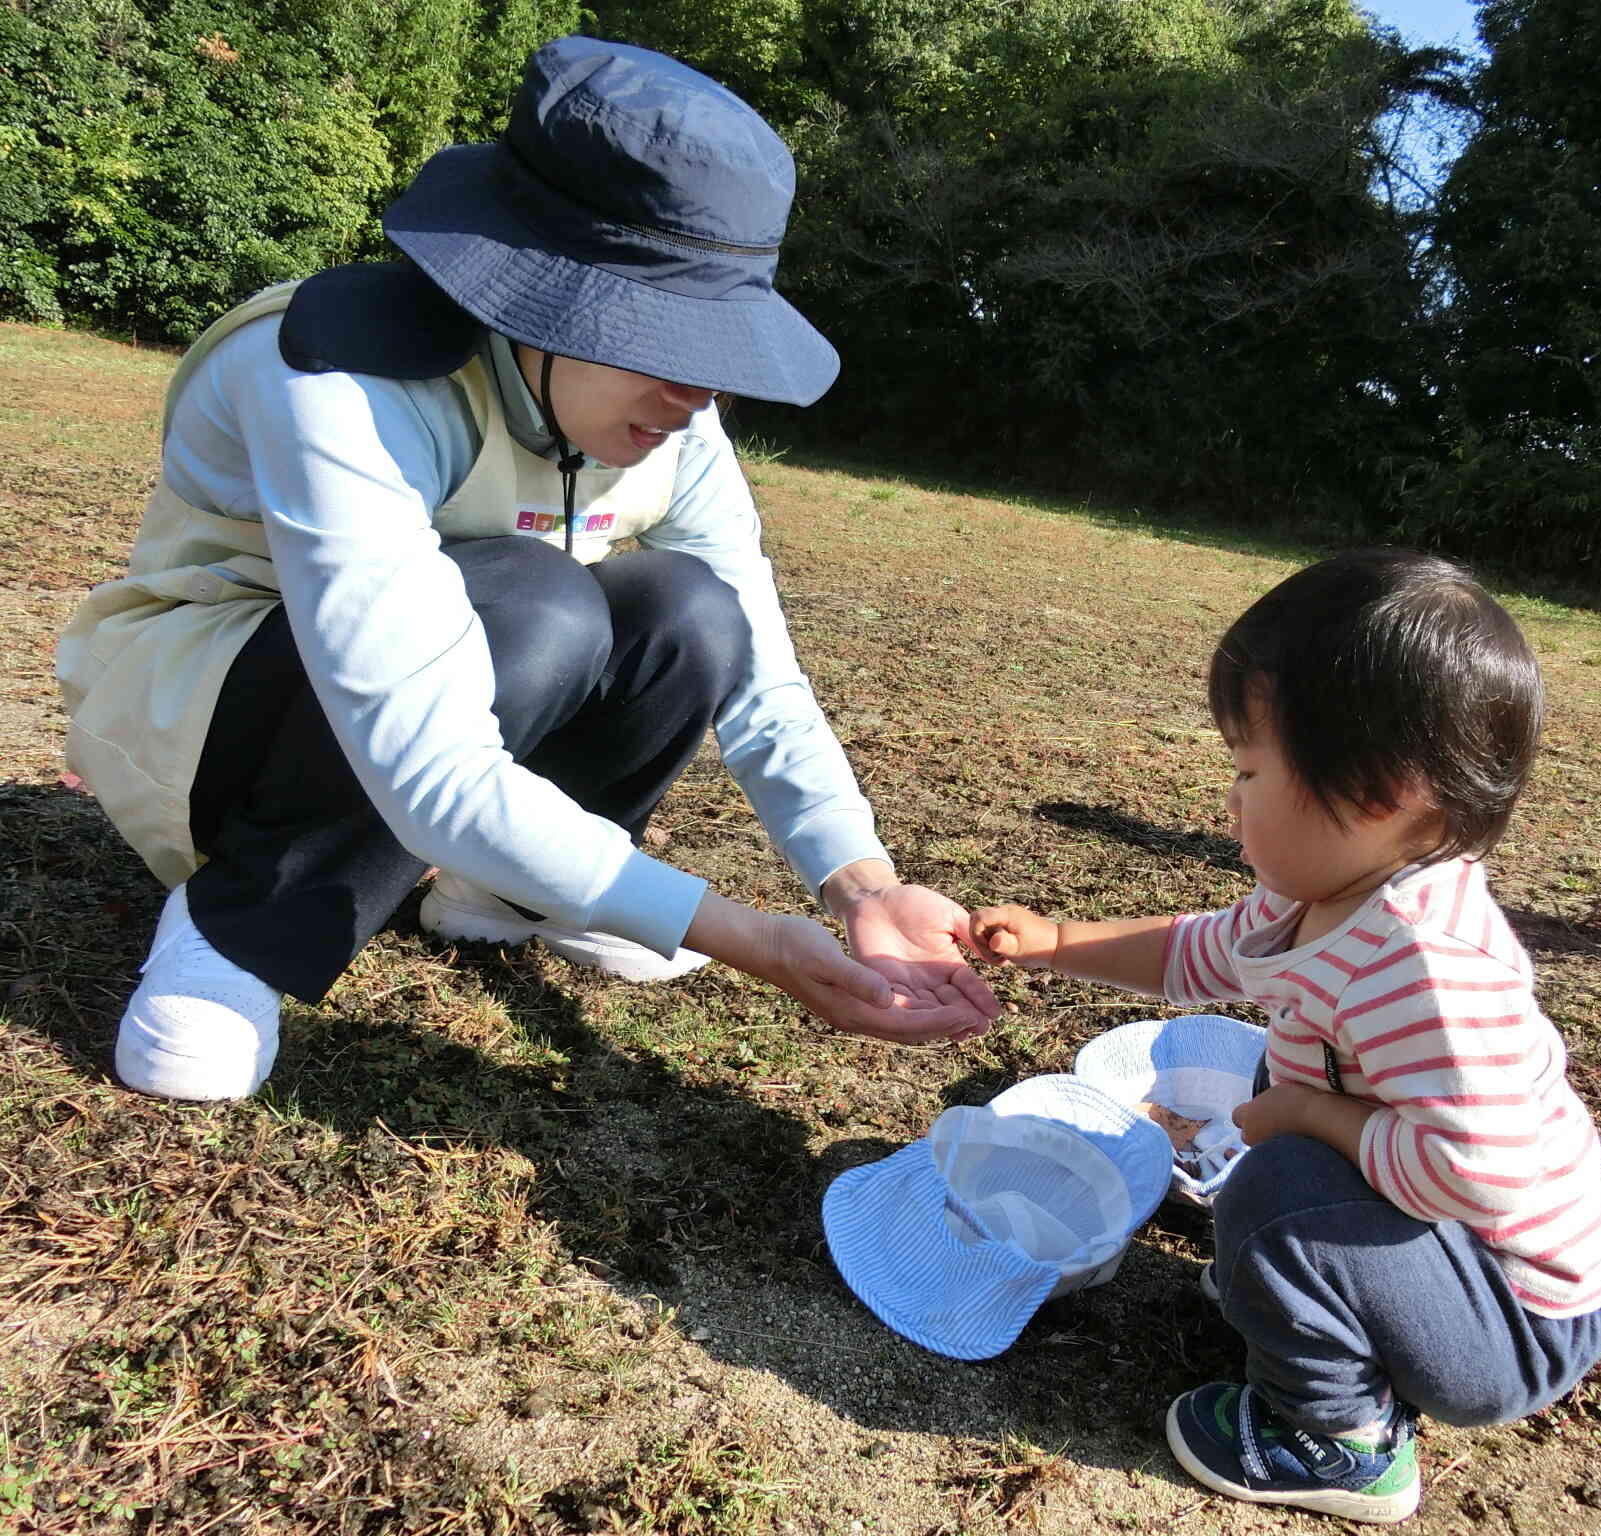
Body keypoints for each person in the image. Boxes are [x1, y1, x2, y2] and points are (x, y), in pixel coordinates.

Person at [55, 36, 999, 1103]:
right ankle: (248, 921)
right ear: (538, 299)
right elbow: (426, 751)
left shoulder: (676, 424)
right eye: (667, 340)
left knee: (694, 611)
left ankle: (509, 898)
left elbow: (758, 679)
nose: (699, 397)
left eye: (719, 356)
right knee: (535, 603)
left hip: (454, 699)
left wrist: (859, 884)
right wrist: (748, 938)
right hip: (214, 707)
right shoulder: (340, 371)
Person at [969, 550, 1601, 1526]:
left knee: (1276, 1186)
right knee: (1273, 1149)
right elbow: (1203, 954)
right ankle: (1326, 1300)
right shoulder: (1322, 899)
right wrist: (1058, 943)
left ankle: (1340, 1440)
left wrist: (1304, 1113)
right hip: (1462, 1259)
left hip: (1519, 1321)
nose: (1229, 801)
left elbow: (1464, 1172)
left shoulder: (1425, 964)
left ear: (1379, 791)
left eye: (1248, 769)